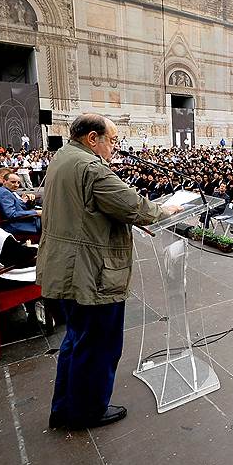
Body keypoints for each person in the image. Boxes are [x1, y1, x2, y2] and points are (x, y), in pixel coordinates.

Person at [40, 114, 181, 431]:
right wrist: (166, 209)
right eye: (112, 139)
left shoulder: (63, 157)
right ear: (93, 138)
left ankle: (64, 408)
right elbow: (134, 207)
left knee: (76, 340)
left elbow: (93, 209)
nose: (114, 146)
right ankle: (88, 411)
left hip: (68, 266)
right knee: (99, 345)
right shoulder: (91, 167)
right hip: (91, 271)